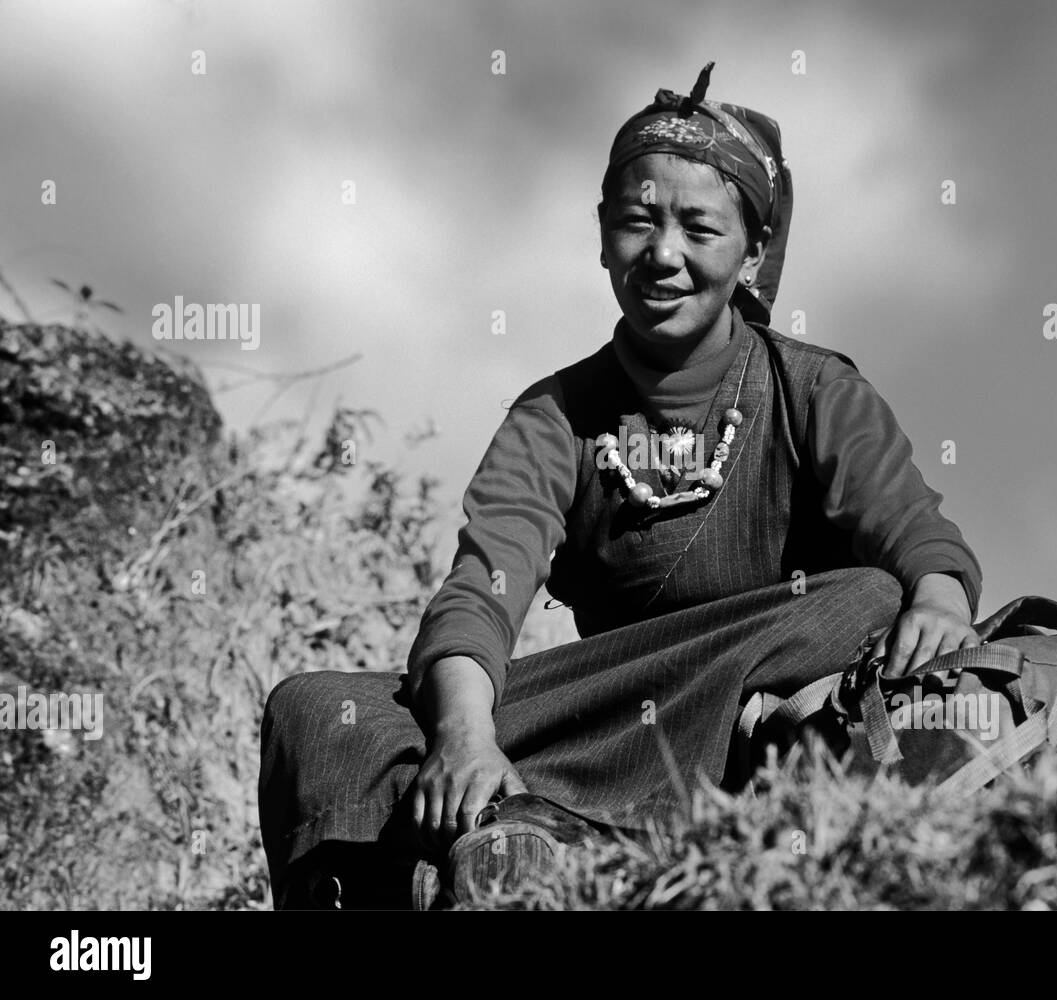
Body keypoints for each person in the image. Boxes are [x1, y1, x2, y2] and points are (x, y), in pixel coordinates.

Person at [258, 61, 984, 908]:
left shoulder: (815, 390)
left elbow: (913, 532)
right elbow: (481, 594)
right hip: (606, 708)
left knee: (863, 598)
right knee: (315, 709)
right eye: (639, 222)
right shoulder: (554, 417)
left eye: (699, 230)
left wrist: (937, 601)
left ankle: (544, 823)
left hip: (746, 695)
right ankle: (510, 819)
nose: (663, 256)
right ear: (603, 235)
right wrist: (461, 736)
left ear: (752, 250)